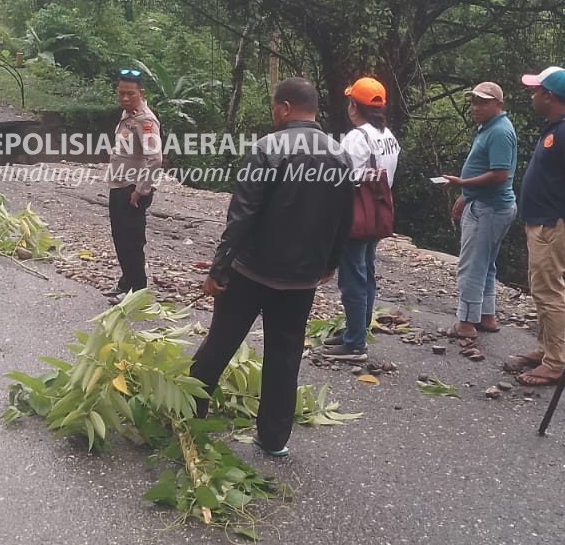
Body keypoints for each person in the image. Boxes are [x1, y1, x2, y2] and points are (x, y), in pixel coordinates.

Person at [188, 77, 354, 457]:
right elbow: (344, 218)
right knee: (285, 353)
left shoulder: (268, 147)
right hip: (302, 280)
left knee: (221, 342)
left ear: (283, 107)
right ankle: (274, 439)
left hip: (252, 271)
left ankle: (189, 413)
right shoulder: (340, 155)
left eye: (272, 107)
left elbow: (242, 215)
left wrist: (219, 268)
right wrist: (330, 263)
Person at [511, 66, 565, 386]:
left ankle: (556, 362)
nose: (533, 96)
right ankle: (546, 349)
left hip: (555, 225)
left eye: (536, 91)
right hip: (544, 221)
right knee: (541, 288)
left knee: (549, 291)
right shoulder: (557, 127)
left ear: (548, 95)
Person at [325, 76, 399, 363]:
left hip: (356, 214)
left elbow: (343, 179)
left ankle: (355, 343)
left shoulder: (357, 138)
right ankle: (355, 332)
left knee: (353, 278)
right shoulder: (387, 136)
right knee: (365, 273)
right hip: (377, 212)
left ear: (354, 106)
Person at [439, 81, 519, 342]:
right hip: (488, 204)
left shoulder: (499, 132)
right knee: (485, 264)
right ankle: (486, 316)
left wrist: (462, 184)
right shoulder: (490, 128)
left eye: (483, 102)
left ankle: (465, 322)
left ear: (498, 104)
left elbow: (499, 174)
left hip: (489, 208)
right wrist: (466, 194)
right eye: (474, 101)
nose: (476, 107)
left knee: (472, 265)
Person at [106, 67, 165, 299]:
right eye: (121, 93)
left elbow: (155, 158)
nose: (125, 98)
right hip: (119, 185)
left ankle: (137, 290)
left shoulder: (146, 121)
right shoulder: (127, 115)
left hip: (132, 190)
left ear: (141, 92)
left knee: (132, 241)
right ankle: (125, 282)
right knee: (120, 237)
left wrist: (140, 191)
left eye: (130, 93)